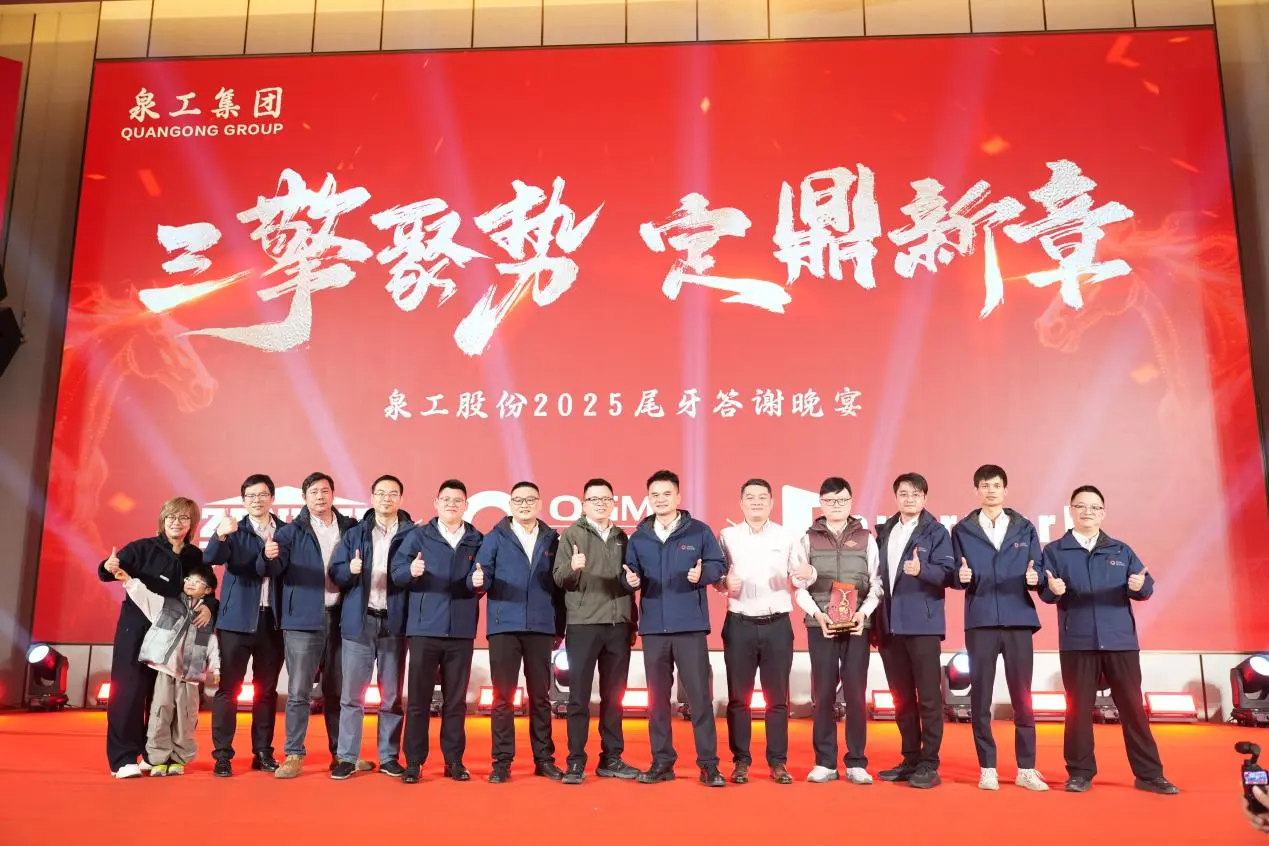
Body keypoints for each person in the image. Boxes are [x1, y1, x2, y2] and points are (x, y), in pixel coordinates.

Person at [1038, 484, 1179, 795]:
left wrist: (1140, 586)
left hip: (1120, 642)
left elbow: (1145, 587)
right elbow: (1045, 591)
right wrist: (1052, 591)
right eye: (1081, 506)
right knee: (1077, 711)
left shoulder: (1120, 550)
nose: (1087, 512)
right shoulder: (1055, 551)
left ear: (1103, 513)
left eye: (1094, 507)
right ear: (1071, 511)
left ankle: (1149, 774)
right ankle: (1079, 773)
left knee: (1133, 709)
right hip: (1078, 642)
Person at [622, 469, 727, 788]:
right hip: (654, 628)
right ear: (648, 499)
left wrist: (702, 575)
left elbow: (718, 565)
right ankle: (662, 761)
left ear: (678, 497)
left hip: (690, 627)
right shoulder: (639, 537)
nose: (660, 499)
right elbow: (627, 573)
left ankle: (708, 765)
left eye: (666, 494)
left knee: (699, 699)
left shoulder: (699, 531)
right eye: (654, 495)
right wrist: (629, 580)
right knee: (657, 701)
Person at [97, 497, 215, 779]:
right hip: (136, 628)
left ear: (192, 524)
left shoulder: (196, 557)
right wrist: (108, 565)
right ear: (162, 520)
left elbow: (209, 590)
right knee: (128, 691)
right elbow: (108, 571)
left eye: (184, 518)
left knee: (163, 695)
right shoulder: (142, 548)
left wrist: (209, 607)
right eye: (171, 517)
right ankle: (123, 758)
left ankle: (154, 754)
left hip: (174, 634)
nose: (177, 522)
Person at [949, 464, 1047, 792]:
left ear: (1005, 490)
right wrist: (959, 577)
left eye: (996, 485)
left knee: (1023, 697)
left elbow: (1039, 569)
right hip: (981, 620)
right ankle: (987, 767)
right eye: (984, 486)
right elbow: (953, 572)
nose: (990, 491)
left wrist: (1036, 578)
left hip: (1019, 618)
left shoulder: (1024, 527)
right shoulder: (962, 530)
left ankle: (1026, 768)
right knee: (980, 698)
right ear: (976, 490)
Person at [259, 471, 360, 779]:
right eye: (314, 491)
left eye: (325, 491)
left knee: (337, 690)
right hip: (302, 621)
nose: (320, 496)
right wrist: (269, 556)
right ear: (304, 497)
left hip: (341, 618)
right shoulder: (290, 532)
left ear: (333, 494)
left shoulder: (350, 527)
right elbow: (274, 569)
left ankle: (341, 755)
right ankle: (293, 753)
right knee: (299, 691)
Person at [716, 478, 813, 785]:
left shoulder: (787, 536)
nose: (756, 502)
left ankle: (778, 762)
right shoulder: (727, 536)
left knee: (777, 699)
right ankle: (741, 761)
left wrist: (807, 574)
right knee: (738, 699)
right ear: (741, 503)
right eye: (750, 497)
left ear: (771, 502)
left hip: (777, 625)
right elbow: (717, 578)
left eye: (762, 497)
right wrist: (723, 584)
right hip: (739, 624)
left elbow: (801, 577)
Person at [469, 481, 565, 783]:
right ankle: (502, 761)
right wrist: (478, 582)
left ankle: (544, 759)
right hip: (504, 626)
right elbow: (481, 577)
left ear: (540, 504)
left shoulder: (553, 539)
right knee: (503, 697)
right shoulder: (495, 537)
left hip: (540, 626)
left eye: (530, 500)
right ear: (510, 505)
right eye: (519, 500)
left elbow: (559, 588)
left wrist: (559, 627)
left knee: (541, 697)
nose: (525, 505)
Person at [392, 479, 484, 784]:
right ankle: (413, 762)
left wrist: (479, 583)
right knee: (418, 700)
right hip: (424, 630)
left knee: (455, 701)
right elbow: (397, 572)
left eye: (457, 500)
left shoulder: (477, 539)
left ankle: (454, 761)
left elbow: (482, 580)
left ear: (466, 505)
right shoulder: (418, 535)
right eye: (446, 499)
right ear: (436, 503)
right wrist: (410, 571)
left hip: (461, 631)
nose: (451, 504)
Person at [792, 477, 882, 786]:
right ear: (821, 503)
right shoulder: (807, 539)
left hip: (857, 625)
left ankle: (856, 762)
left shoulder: (867, 539)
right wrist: (817, 614)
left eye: (842, 500)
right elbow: (798, 586)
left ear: (851, 502)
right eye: (830, 501)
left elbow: (877, 583)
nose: (836, 506)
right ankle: (825, 762)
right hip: (821, 626)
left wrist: (863, 613)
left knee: (856, 694)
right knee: (823, 693)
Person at [552, 478, 641, 785]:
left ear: (613, 503)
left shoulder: (623, 537)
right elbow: (559, 578)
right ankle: (575, 761)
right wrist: (573, 567)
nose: (600, 504)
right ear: (583, 504)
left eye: (606, 499)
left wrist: (632, 609)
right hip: (583, 625)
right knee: (578, 697)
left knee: (614, 697)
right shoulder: (571, 535)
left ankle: (611, 758)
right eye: (594, 499)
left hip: (618, 625)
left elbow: (630, 580)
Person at [328, 475, 414, 779]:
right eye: (381, 493)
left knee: (391, 696)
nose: (386, 498)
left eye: (393, 493)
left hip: (395, 622)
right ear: (372, 497)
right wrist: (349, 570)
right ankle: (347, 757)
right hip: (360, 620)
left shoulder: (413, 535)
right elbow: (336, 571)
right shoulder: (356, 533)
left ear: (401, 498)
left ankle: (389, 756)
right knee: (352, 695)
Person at [874, 472, 955, 789]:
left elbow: (948, 573)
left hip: (923, 625)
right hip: (889, 626)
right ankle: (910, 758)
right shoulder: (885, 531)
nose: (909, 499)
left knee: (929, 698)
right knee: (901, 698)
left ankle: (929, 763)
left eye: (916, 494)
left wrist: (923, 570)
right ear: (896, 497)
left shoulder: (936, 531)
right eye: (904, 494)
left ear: (925, 498)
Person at [203, 473, 285, 776]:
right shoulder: (234, 530)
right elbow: (211, 557)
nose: (257, 500)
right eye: (250, 496)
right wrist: (220, 535)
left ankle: (262, 752)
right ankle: (223, 755)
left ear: (272, 498)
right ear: (243, 501)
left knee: (266, 691)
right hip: (235, 622)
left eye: (262, 495)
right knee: (229, 689)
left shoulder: (286, 532)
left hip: (272, 622)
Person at [112, 562, 221, 776]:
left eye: (198, 581)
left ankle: (179, 759)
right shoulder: (169, 605)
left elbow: (212, 642)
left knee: (185, 717)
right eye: (188, 579)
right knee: (160, 712)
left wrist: (216, 668)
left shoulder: (207, 615)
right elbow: (146, 598)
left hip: (190, 676)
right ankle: (157, 759)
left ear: (208, 590)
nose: (191, 583)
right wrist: (129, 581)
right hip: (166, 671)